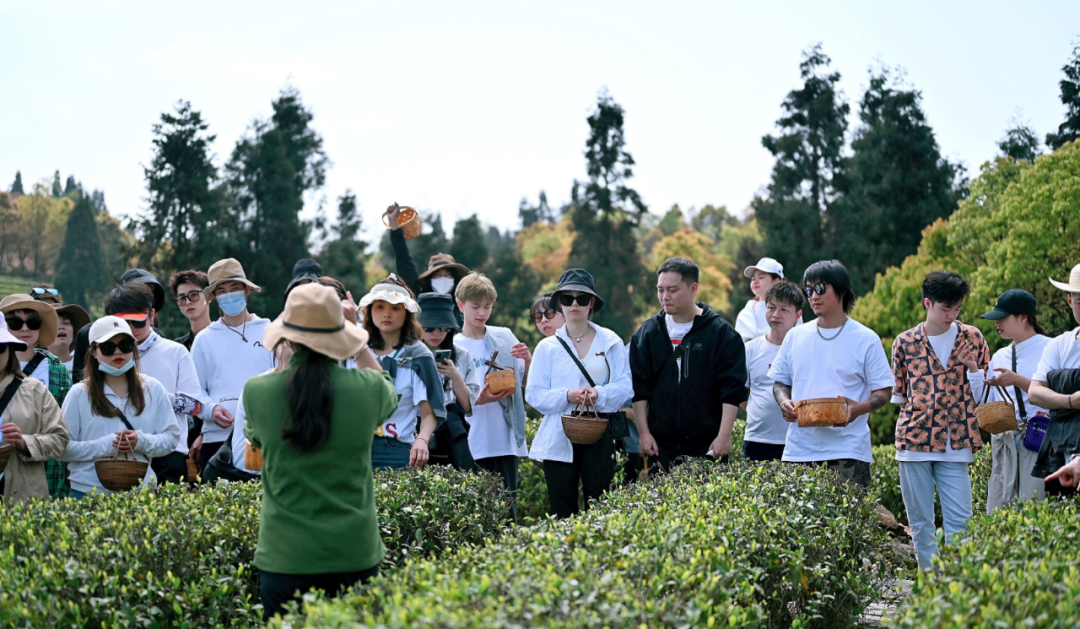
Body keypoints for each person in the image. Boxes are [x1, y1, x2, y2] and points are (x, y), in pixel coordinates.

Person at [243, 283, 396, 620]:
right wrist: (357, 340)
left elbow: (254, 441)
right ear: (340, 335)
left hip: (284, 555)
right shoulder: (367, 390)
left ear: (287, 337)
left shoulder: (257, 392)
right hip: (354, 552)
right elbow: (387, 391)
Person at [890, 271, 989, 571]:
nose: (951, 315)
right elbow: (901, 398)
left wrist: (972, 368)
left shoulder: (972, 338)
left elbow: (984, 397)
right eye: (945, 308)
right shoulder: (904, 342)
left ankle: (957, 594)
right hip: (913, 442)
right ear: (927, 303)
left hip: (956, 442)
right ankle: (931, 592)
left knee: (961, 524)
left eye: (957, 308)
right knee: (921, 524)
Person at [770, 260, 893, 488]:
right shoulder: (795, 336)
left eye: (820, 288)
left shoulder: (866, 339)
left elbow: (885, 390)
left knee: (849, 523)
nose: (813, 296)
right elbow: (780, 382)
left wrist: (858, 409)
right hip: (799, 451)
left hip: (848, 451)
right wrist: (784, 402)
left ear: (841, 289)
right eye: (808, 290)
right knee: (798, 523)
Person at [527, 269, 633, 519]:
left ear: (592, 303)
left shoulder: (610, 341)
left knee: (601, 509)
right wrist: (568, 395)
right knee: (562, 512)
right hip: (559, 434)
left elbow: (625, 386)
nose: (574, 304)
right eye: (567, 298)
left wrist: (598, 394)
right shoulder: (547, 347)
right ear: (559, 303)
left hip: (600, 432)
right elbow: (533, 394)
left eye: (582, 298)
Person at [630, 257, 748, 472]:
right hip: (660, 446)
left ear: (693, 289)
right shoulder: (647, 334)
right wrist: (644, 433)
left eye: (672, 290)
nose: (665, 297)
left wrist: (724, 436)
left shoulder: (721, 333)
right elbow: (639, 389)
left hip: (708, 445)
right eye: (660, 290)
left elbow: (731, 390)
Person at [60, 316, 180, 497]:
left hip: (141, 492)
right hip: (88, 492)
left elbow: (171, 438)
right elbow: (62, 448)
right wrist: (106, 445)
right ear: (93, 352)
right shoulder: (78, 393)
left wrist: (140, 441)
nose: (118, 352)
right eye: (108, 347)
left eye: (124, 345)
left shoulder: (153, 388)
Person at [454, 272, 531, 520]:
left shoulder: (504, 336)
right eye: (475, 306)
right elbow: (446, 396)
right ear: (460, 305)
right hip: (470, 441)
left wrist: (527, 360)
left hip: (504, 439)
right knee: (474, 517)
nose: (482, 312)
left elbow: (526, 383)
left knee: (508, 515)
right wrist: (479, 399)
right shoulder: (454, 344)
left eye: (487, 306)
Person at [107, 282, 200, 484]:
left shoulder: (175, 352)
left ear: (151, 315)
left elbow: (194, 407)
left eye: (137, 322)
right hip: (121, 453)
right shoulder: (104, 355)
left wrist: (155, 394)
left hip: (169, 453)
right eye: (124, 323)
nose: (131, 329)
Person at [190, 259, 275, 471]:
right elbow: (192, 390)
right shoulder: (204, 339)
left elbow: (281, 379)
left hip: (262, 435)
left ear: (246, 290)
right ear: (215, 298)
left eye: (234, 288)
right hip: (216, 440)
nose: (228, 295)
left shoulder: (270, 330)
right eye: (222, 291)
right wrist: (211, 409)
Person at [358, 275, 443, 470]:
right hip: (354, 449)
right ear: (370, 311)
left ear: (407, 313)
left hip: (397, 450)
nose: (387, 314)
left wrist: (422, 439)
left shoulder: (420, 356)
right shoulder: (355, 349)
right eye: (380, 307)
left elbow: (429, 411)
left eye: (395, 308)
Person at [978, 289, 1051, 512]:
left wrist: (1017, 380)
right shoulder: (999, 356)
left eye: (1003, 318)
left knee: (1034, 508)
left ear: (1023, 318)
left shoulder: (1051, 347)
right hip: (1006, 439)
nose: (997, 323)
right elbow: (991, 404)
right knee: (999, 509)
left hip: (1038, 437)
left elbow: (1060, 397)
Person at [2, 293, 71, 498]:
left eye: (32, 322)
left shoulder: (56, 368)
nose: (24, 328)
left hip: (41, 473)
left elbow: (62, 430)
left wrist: (26, 442)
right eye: (15, 322)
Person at [1028, 263, 1080, 498]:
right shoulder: (1060, 344)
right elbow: (1035, 392)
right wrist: (1071, 400)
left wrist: (1056, 398)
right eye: (1079, 300)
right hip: (1058, 450)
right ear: (1069, 301)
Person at [741, 281, 804, 462]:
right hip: (757, 440)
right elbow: (740, 392)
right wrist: (757, 411)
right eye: (771, 307)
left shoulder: (805, 349)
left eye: (784, 309)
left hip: (797, 440)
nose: (776, 314)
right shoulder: (750, 349)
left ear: (797, 315)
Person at [417, 292, 480, 471]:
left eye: (443, 328)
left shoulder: (462, 355)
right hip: (416, 426)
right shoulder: (409, 354)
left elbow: (468, 406)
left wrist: (455, 375)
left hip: (453, 431)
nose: (437, 333)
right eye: (429, 328)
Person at [72, 268, 167, 384]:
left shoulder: (160, 340)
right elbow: (79, 380)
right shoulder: (87, 333)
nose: (144, 296)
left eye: (151, 293)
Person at [384, 202, 470, 326]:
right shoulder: (419, 300)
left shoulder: (464, 306)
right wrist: (395, 226)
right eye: (437, 275)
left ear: (455, 279)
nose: (443, 278)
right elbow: (405, 263)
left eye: (447, 274)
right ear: (429, 279)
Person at [735, 257, 784, 342]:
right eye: (753, 279)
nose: (755, 281)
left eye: (761, 277)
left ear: (776, 281)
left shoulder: (790, 308)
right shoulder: (745, 314)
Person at [169, 270, 211, 351]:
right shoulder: (176, 348)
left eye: (194, 295)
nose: (188, 302)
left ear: (208, 296)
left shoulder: (225, 338)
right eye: (182, 298)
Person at [47, 304, 90, 374]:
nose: (61, 327)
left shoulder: (87, 367)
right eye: (55, 324)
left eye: (66, 323)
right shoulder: (36, 367)